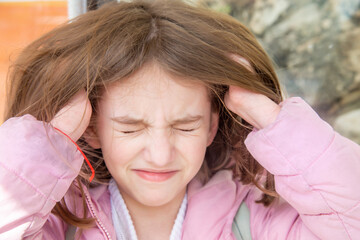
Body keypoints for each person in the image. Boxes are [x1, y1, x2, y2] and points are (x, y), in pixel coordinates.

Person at [0, 0, 359, 239]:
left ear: (211, 126)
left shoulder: (258, 219)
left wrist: (263, 112)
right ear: (91, 129)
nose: (160, 154)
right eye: (129, 127)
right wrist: (51, 142)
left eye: (185, 126)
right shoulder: (55, 223)